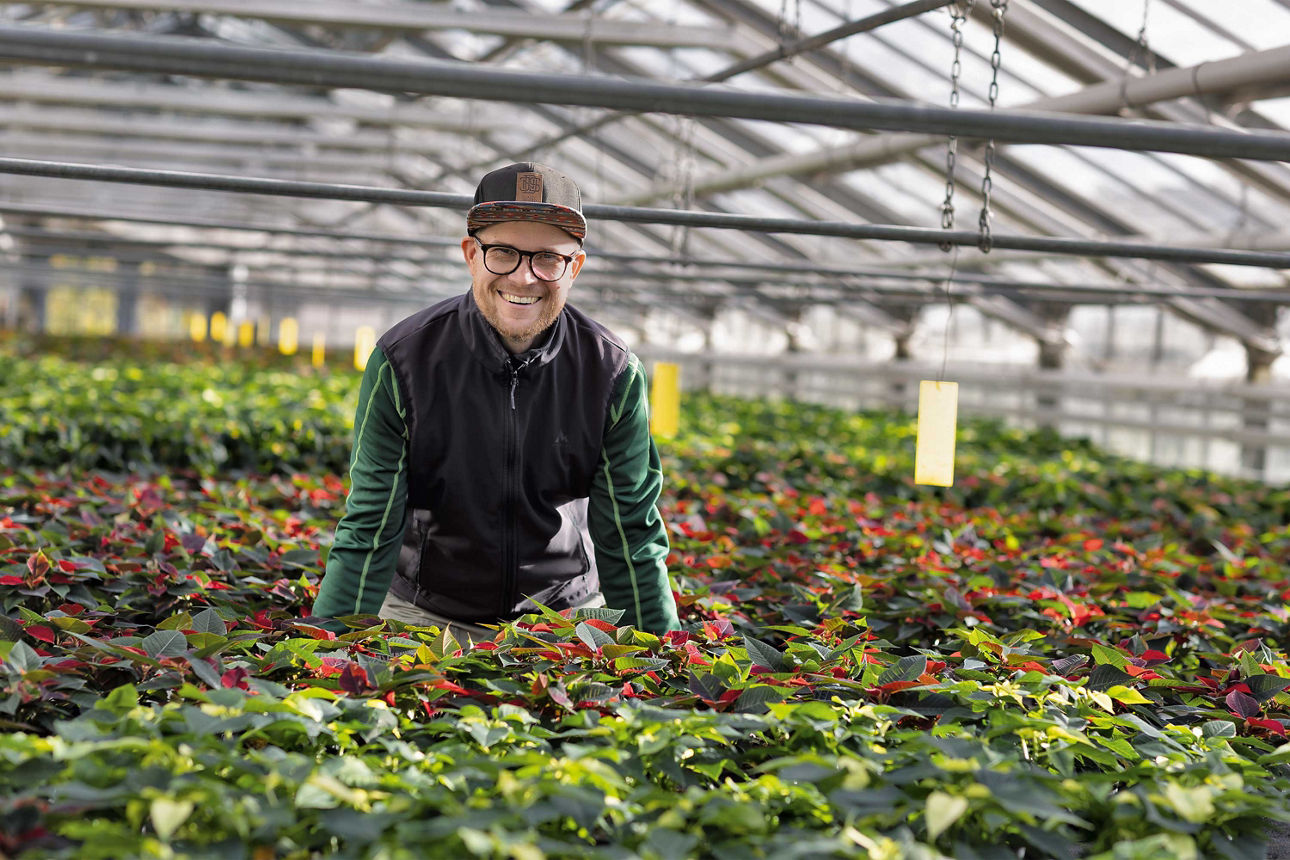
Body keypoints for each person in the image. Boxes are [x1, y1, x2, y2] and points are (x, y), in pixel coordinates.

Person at [310, 162, 681, 641]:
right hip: (426, 612)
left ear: (575, 268)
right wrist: (328, 644)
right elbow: (370, 524)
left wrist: (665, 655)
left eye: (548, 258)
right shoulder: (403, 361)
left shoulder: (610, 372)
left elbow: (632, 530)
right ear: (471, 255)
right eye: (503, 253)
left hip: (562, 617)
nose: (525, 278)